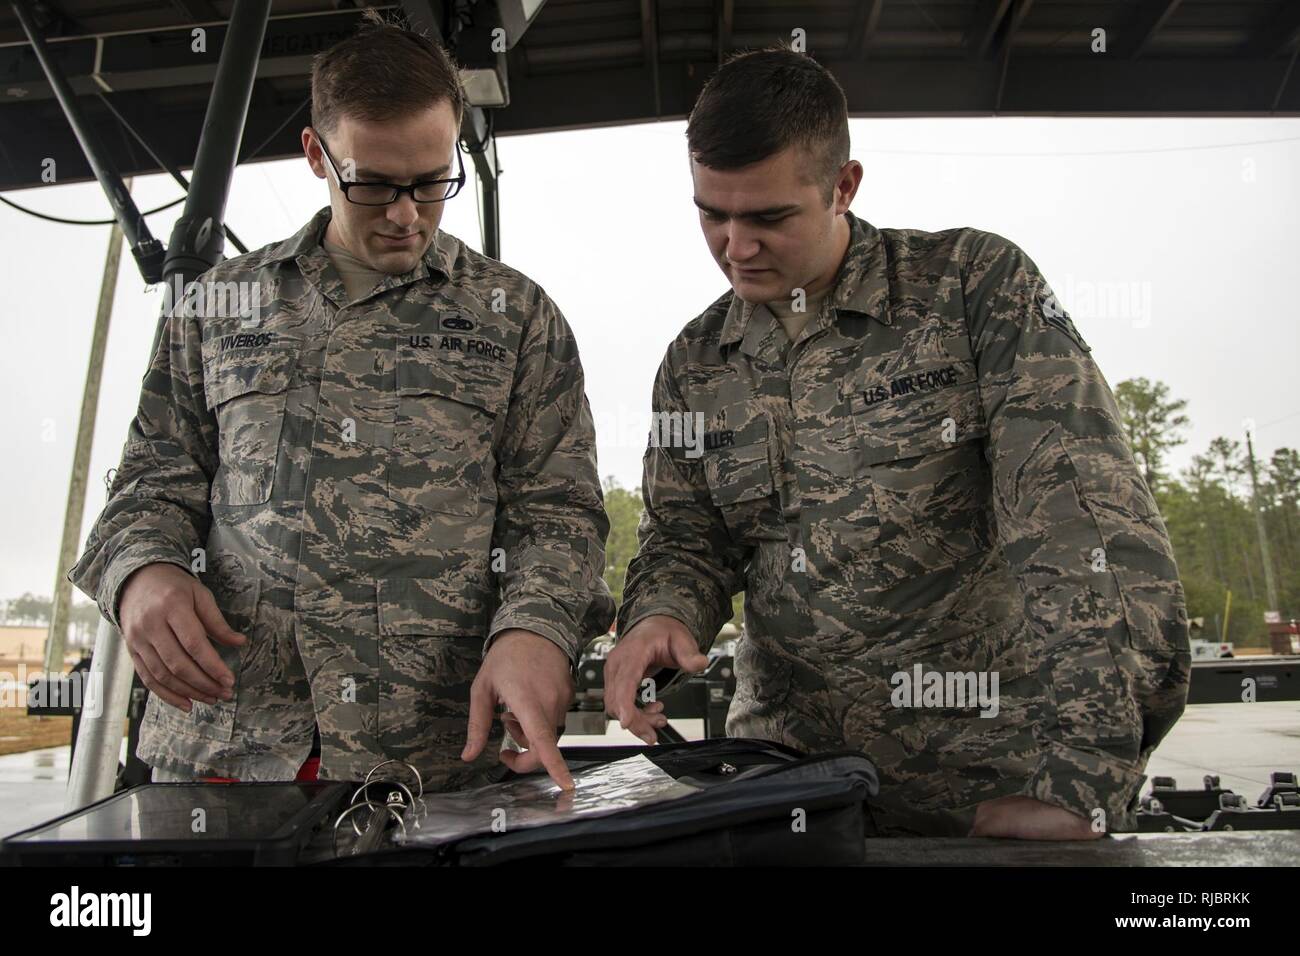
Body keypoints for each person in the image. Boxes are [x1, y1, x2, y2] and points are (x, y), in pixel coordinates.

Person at [606, 47, 1190, 838]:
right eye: (713, 214)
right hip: (789, 790)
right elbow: (686, 536)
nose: (735, 247)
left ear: (843, 186)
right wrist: (659, 613)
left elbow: (1087, 530)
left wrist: (1081, 780)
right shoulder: (695, 362)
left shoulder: (973, 289)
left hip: (989, 794)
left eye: (769, 217)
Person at [69, 15, 614, 791]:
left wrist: (536, 633)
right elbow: (150, 482)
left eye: (432, 182)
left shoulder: (516, 319)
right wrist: (143, 574)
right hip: (231, 749)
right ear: (316, 155)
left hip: (435, 759)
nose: (406, 214)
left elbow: (558, 514)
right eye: (375, 184)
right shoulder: (220, 305)